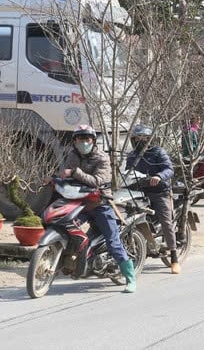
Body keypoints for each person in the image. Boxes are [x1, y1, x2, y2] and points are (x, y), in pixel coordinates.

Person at [59, 124, 137, 293]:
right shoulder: (72, 155)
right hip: (80, 203)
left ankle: (130, 278)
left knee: (113, 242)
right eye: (80, 139)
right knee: (65, 225)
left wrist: (74, 173)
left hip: (101, 203)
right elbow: (66, 175)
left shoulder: (102, 158)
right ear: (74, 141)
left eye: (87, 139)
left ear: (93, 141)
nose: (83, 142)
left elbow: (96, 181)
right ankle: (72, 260)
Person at [125, 124, 181, 275]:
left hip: (159, 192)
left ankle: (174, 257)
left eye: (145, 138)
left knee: (166, 221)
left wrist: (159, 176)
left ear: (150, 139)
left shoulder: (158, 152)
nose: (141, 141)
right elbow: (127, 173)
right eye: (138, 138)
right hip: (139, 192)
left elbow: (169, 169)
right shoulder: (131, 156)